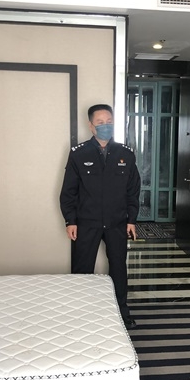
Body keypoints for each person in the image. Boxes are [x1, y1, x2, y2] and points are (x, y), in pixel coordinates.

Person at [59, 104, 141, 329]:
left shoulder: (125, 153)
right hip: (87, 222)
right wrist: (70, 220)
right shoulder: (79, 153)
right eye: (100, 122)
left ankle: (121, 313)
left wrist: (131, 219)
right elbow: (68, 191)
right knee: (82, 269)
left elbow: (133, 190)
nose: (106, 126)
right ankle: (80, 312)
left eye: (109, 122)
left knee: (118, 269)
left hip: (117, 222)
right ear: (91, 126)